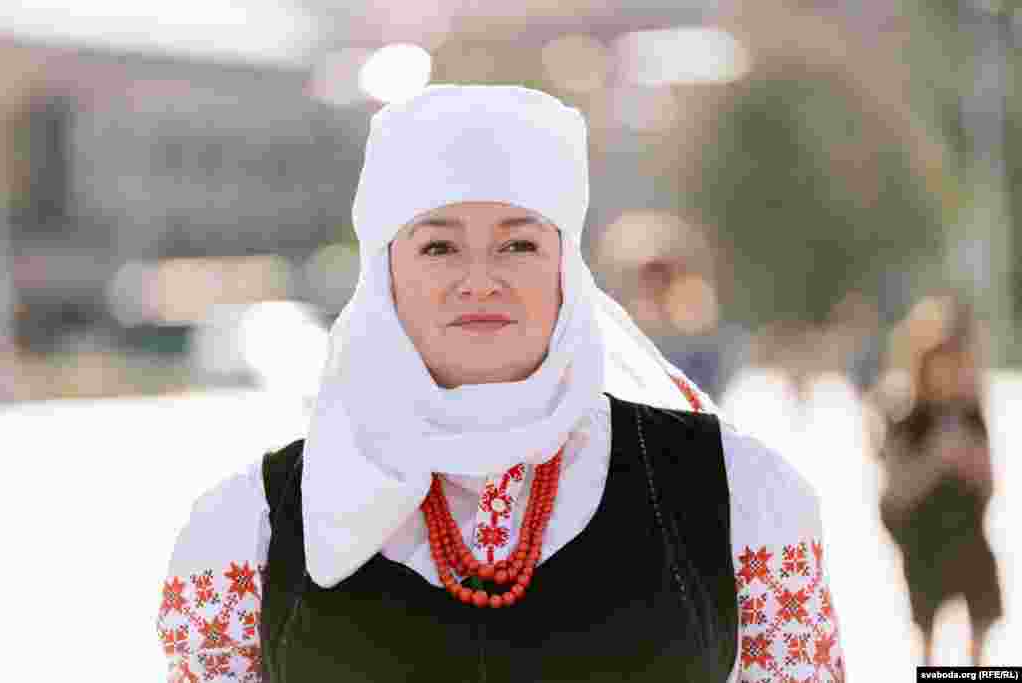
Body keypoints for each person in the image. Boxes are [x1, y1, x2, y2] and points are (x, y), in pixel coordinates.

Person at [157, 84, 845, 682]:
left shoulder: (733, 494)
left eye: (519, 244)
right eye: (439, 246)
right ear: (385, 276)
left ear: (566, 272)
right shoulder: (252, 530)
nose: (480, 280)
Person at [879, 301, 1002, 665]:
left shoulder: (970, 415)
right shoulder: (907, 418)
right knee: (927, 629)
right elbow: (896, 492)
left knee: (981, 615)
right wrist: (935, 459)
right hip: (924, 539)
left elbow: (989, 483)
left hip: (967, 532)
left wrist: (966, 459)